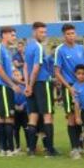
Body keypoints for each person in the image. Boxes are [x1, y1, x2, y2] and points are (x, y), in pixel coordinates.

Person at [53, 24, 84, 158]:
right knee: (72, 117)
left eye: (73, 33)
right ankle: (74, 148)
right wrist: (69, 88)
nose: (71, 36)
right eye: (68, 34)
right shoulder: (60, 50)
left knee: (80, 116)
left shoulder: (81, 48)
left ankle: (80, 145)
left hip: (83, 86)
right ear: (64, 35)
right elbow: (57, 72)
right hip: (69, 86)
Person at [24, 21, 58, 156]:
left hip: (32, 84)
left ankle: (31, 150)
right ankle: (50, 150)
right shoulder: (38, 47)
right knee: (47, 115)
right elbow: (36, 68)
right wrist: (30, 85)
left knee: (33, 116)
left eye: (45, 32)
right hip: (42, 83)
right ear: (34, 32)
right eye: (41, 32)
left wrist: (27, 85)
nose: (44, 34)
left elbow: (26, 67)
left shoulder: (28, 47)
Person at [0, 26, 21, 156]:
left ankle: (4, 149)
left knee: (5, 118)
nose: (14, 38)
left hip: (6, 86)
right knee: (7, 118)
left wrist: (20, 83)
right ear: (4, 35)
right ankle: (9, 149)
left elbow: (8, 72)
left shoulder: (7, 51)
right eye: (13, 35)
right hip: (3, 87)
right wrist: (12, 84)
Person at [12, 67, 29, 150]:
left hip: (24, 111)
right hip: (15, 111)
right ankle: (17, 146)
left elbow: (28, 98)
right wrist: (14, 106)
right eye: (14, 75)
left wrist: (23, 105)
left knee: (26, 128)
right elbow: (9, 99)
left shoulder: (25, 87)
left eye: (18, 75)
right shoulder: (10, 88)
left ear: (21, 76)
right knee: (16, 129)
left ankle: (29, 145)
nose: (16, 76)